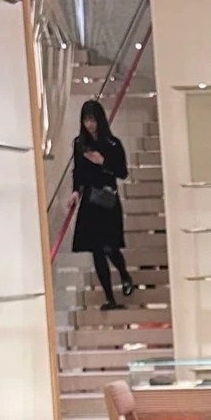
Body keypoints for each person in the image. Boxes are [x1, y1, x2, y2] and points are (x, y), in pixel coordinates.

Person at [72, 98, 134, 309]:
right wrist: (75, 192)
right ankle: (109, 297)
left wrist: (103, 162)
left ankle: (124, 275)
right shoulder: (80, 144)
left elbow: (122, 172)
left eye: (92, 120)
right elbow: (78, 172)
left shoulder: (112, 144)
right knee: (96, 250)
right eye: (86, 120)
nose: (89, 124)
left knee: (109, 247)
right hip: (90, 201)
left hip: (107, 200)